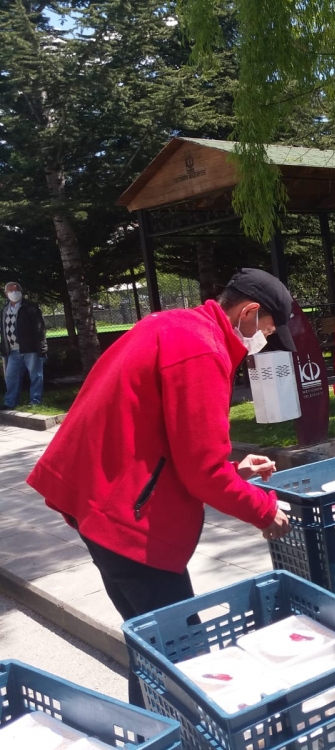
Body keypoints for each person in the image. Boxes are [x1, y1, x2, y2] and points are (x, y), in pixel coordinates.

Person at [26, 269, 294, 707]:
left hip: (96, 501)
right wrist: (263, 510)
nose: (264, 340)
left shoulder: (171, 325)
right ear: (248, 313)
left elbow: (166, 437)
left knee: (155, 656)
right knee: (181, 662)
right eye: (266, 330)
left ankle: (147, 732)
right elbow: (202, 473)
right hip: (127, 521)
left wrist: (232, 469)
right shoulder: (202, 351)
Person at [1, 282, 47, 409]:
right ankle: (10, 402)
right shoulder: (4, 310)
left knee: (35, 375)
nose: (14, 293)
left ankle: (35, 401)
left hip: (30, 349)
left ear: (21, 292)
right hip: (12, 351)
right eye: (10, 291)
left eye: (16, 290)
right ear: (6, 293)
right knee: (10, 377)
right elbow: (3, 331)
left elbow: (39, 329)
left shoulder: (30, 308)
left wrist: (42, 348)